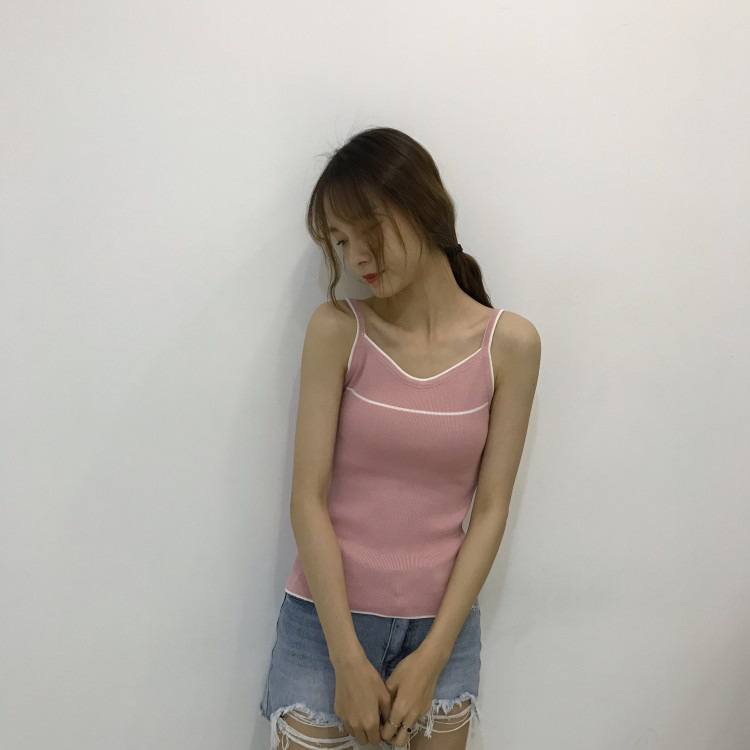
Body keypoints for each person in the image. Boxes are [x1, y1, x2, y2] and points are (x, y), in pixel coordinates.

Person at [259, 126, 541, 750]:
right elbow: (307, 499)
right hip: (323, 627)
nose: (357, 255)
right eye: (340, 239)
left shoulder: (510, 345)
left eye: (369, 228)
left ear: (424, 206)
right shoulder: (338, 329)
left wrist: (433, 656)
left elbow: (491, 510)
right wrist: (347, 659)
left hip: (442, 633)